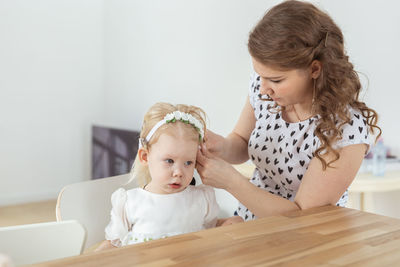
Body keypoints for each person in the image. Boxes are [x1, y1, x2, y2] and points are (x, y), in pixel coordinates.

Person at [196, 0, 381, 221]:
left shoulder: (345, 130)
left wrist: (231, 182)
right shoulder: (265, 89)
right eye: (260, 75)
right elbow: (242, 141)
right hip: (250, 227)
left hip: (303, 241)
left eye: (275, 79)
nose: (263, 88)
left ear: (314, 69)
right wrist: (221, 147)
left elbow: (301, 218)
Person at [96, 103, 224, 251]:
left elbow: (213, 231)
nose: (179, 172)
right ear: (145, 157)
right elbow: (113, 244)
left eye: (188, 162)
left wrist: (227, 224)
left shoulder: (203, 199)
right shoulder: (130, 202)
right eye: (169, 161)